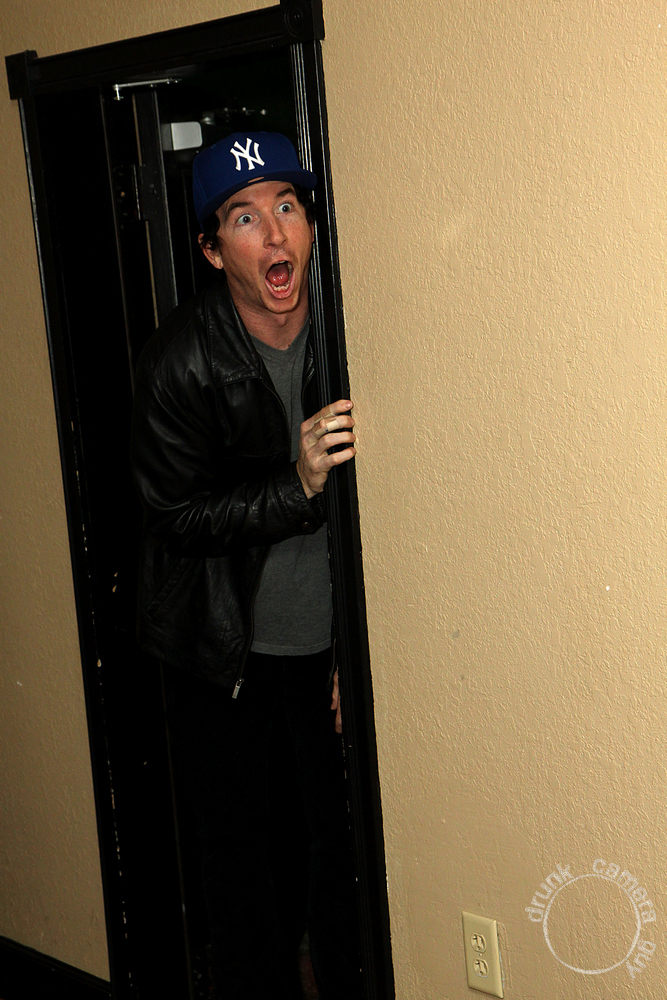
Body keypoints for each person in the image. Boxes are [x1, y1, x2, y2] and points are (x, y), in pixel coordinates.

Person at [130, 132, 362, 1000]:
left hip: (327, 648)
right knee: (240, 861)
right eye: (243, 217)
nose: (273, 234)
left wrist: (353, 646)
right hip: (223, 652)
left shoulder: (351, 331)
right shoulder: (179, 360)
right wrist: (293, 484)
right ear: (210, 249)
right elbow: (174, 519)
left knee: (341, 846)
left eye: (286, 207)